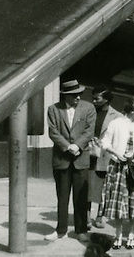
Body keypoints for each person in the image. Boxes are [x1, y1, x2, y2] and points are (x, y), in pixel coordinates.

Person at [99, 96, 134, 250]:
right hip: (117, 166)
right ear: (131, 109)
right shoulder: (116, 123)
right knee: (118, 203)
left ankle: (131, 235)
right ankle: (118, 235)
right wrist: (116, 152)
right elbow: (105, 142)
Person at [45, 79, 96, 243]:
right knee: (62, 196)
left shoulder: (88, 108)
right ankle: (61, 230)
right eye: (74, 95)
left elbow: (89, 131)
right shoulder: (53, 109)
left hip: (81, 158)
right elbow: (53, 132)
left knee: (81, 197)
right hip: (62, 158)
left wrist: (77, 146)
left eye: (79, 94)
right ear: (66, 96)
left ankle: (81, 230)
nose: (78, 98)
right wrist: (68, 146)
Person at [88, 87, 121, 229]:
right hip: (89, 152)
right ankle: (86, 217)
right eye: (93, 98)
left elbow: (118, 137)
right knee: (87, 186)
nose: (94, 101)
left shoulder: (117, 116)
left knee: (104, 187)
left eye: (97, 98)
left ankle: (101, 216)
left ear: (106, 99)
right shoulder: (89, 112)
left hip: (105, 155)